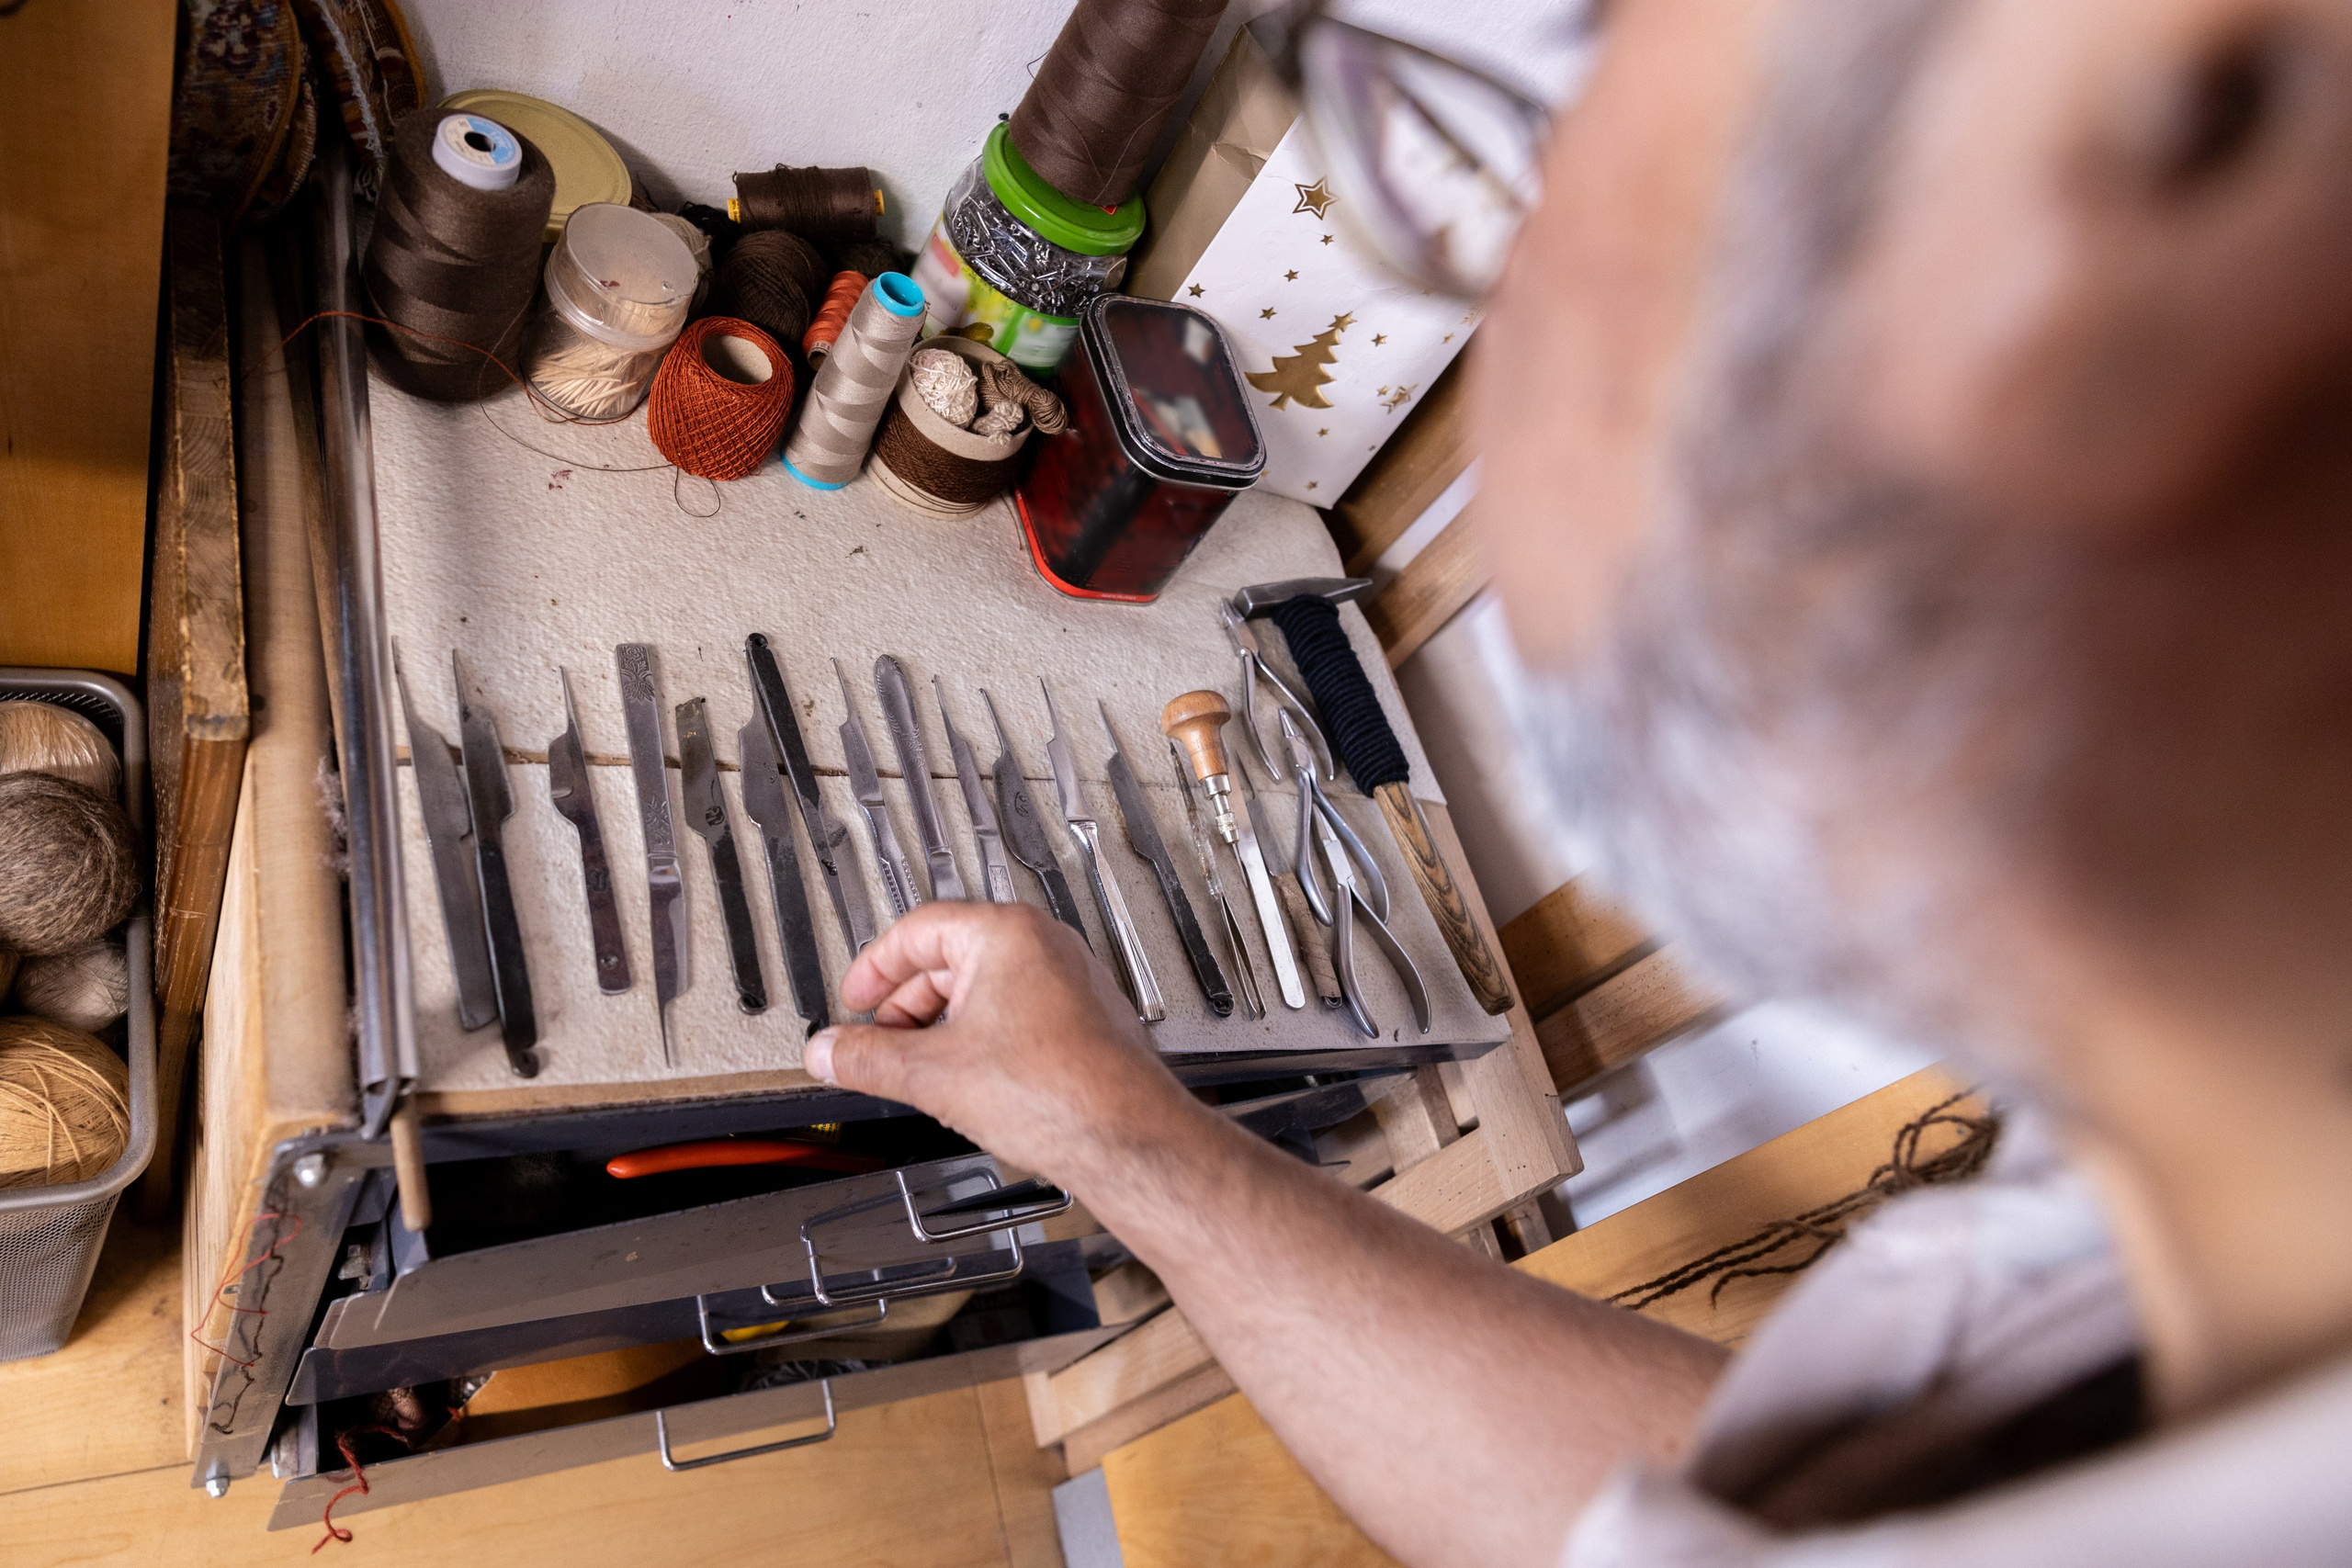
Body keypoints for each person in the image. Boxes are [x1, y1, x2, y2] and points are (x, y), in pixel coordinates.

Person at [801, 0, 2352, 1559]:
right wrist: (1120, 1132)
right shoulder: (2198, 1214)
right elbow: (1686, 1511)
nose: (1502, 296)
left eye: (1529, 150)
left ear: (2199, 132)